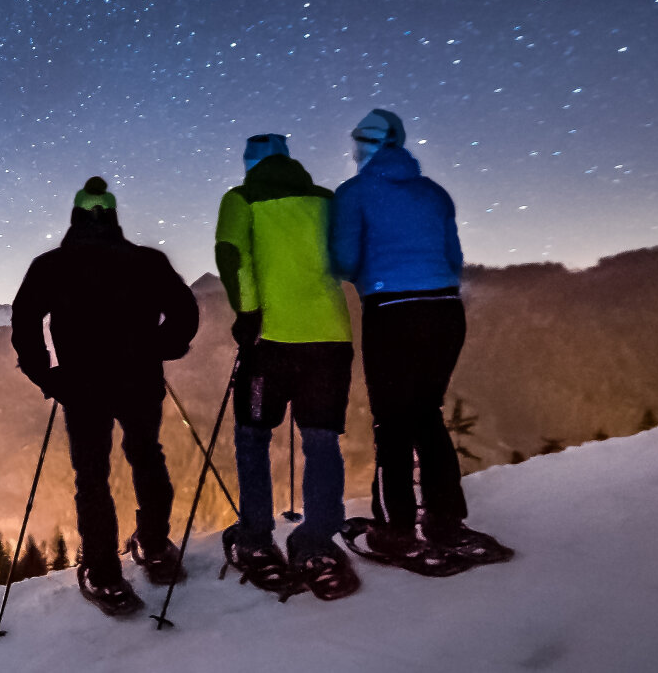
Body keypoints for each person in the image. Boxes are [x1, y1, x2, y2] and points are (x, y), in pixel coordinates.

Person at [329, 109, 512, 572]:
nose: (355, 148)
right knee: (426, 414)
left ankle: (396, 530)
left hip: (392, 311)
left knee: (391, 422)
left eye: (359, 140)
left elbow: (345, 259)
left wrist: (369, 274)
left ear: (369, 144)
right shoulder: (434, 193)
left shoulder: (353, 194)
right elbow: (453, 257)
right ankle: (446, 521)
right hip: (446, 310)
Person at [11, 176, 200, 617]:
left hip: (82, 386)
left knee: (91, 477)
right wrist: (162, 346)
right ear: (113, 217)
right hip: (140, 380)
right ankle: (154, 548)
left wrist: (46, 376)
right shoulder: (147, 261)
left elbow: (24, 322)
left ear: (75, 217)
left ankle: (104, 573)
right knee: (147, 456)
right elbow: (185, 313)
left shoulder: (52, 265)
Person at [214, 133, 360, 601]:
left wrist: (249, 313)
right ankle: (315, 545)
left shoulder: (240, 198)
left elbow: (231, 255)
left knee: (253, 436)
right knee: (321, 441)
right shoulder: (325, 199)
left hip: (271, 344)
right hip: (331, 339)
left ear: (250, 163)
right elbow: (347, 259)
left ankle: (257, 537)